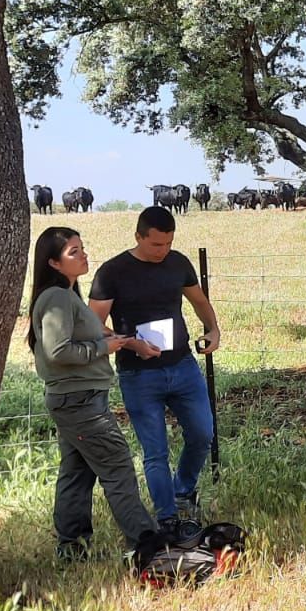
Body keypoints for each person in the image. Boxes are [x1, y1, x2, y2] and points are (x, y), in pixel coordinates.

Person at [28, 227, 163, 562]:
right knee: (117, 466)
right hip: (80, 401)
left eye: (82, 248)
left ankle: (72, 548)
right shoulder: (57, 298)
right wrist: (104, 348)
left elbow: (93, 334)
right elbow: (58, 351)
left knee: (76, 472)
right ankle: (146, 544)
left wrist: (127, 342)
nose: (84, 255)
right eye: (74, 252)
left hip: (76, 398)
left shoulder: (68, 296)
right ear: (53, 263)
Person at [88, 206, 221, 542]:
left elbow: (199, 301)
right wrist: (131, 344)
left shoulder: (178, 263)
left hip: (183, 366)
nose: (163, 251)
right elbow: (91, 324)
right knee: (156, 451)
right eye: (156, 245)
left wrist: (213, 329)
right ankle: (167, 517)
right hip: (138, 374)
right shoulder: (112, 272)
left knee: (203, 434)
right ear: (139, 237)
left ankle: (183, 490)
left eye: (168, 244)